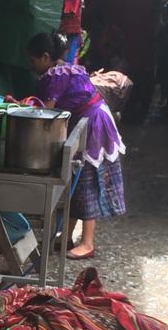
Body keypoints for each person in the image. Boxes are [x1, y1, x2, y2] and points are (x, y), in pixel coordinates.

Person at [28, 31, 125, 260]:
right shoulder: (68, 67)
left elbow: (48, 113)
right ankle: (66, 235)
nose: (31, 66)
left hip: (93, 126)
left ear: (44, 57)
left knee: (86, 182)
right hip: (91, 121)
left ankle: (87, 242)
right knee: (75, 182)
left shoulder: (55, 75)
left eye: (32, 60)